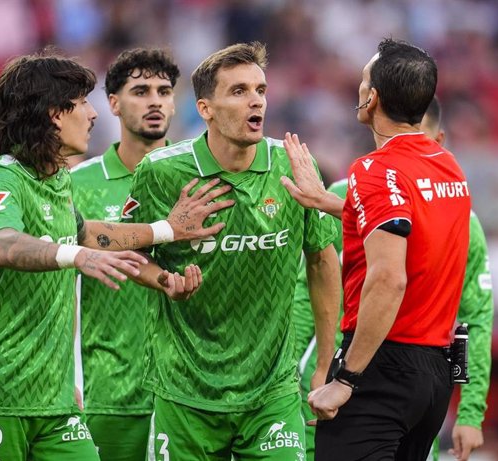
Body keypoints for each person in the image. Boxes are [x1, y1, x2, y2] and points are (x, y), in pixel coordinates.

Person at [0, 50, 233, 461]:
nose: (92, 114)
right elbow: (5, 245)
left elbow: (86, 232)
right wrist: (77, 257)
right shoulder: (2, 175)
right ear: (52, 113)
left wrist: (168, 229)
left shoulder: (56, 179)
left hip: (55, 398)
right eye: (80, 103)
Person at [124, 42, 341, 460]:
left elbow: (321, 259)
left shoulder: (292, 165)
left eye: (260, 90)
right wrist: (164, 281)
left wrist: (324, 363)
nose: (256, 100)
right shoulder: (163, 172)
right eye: (239, 91)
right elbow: (131, 252)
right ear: (205, 108)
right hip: (185, 390)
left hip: (271, 391)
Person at [282, 38, 471, 460]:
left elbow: (388, 278)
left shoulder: (373, 168)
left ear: (373, 98)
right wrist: (327, 201)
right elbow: (408, 225)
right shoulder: (448, 165)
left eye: (364, 80)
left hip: (380, 368)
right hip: (434, 377)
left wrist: (345, 379)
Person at [70, 47, 180, 460]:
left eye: (164, 91)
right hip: (107, 389)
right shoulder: (78, 185)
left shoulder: (201, 179)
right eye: (140, 91)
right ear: (113, 103)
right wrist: (69, 376)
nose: (155, 101)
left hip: (189, 390)